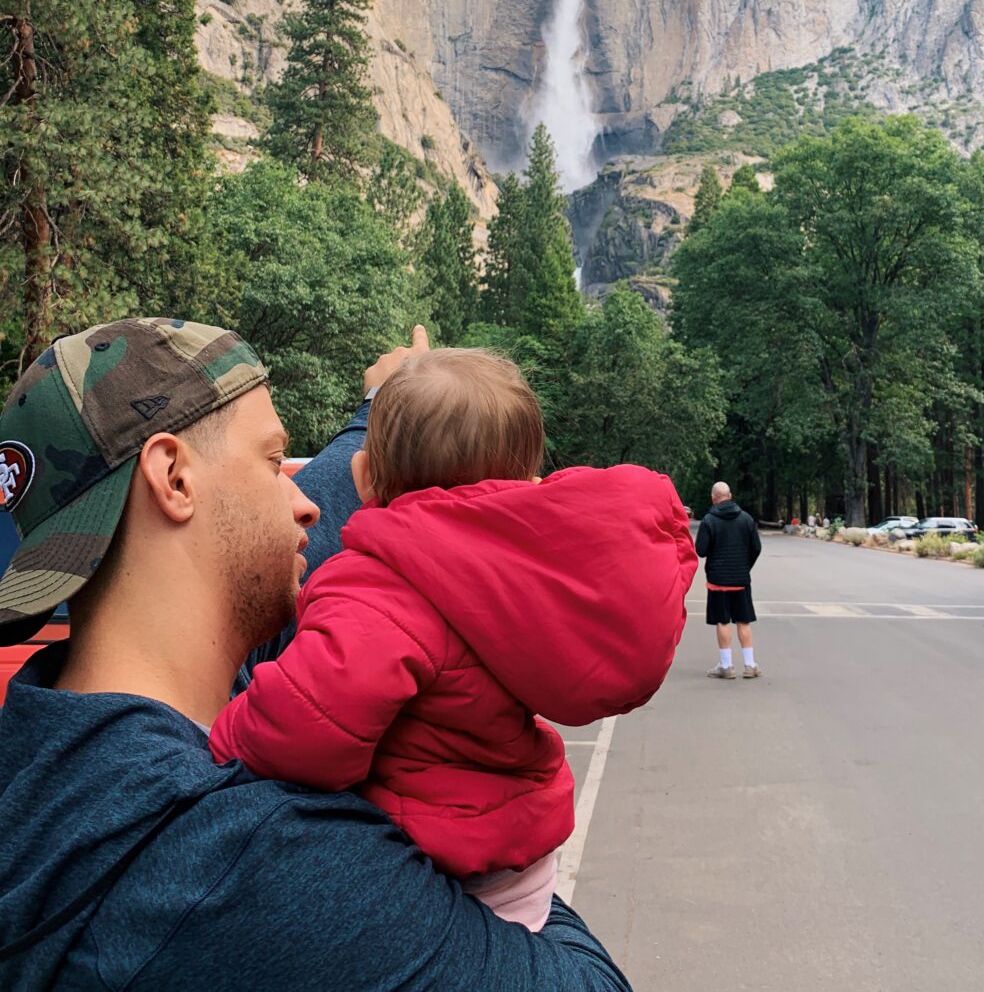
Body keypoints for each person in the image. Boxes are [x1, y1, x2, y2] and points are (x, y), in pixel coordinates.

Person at [0, 318, 634, 991]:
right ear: (174, 478)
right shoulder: (244, 864)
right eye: (275, 462)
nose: (303, 502)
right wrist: (510, 874)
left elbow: (335, 541)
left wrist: (396, 422)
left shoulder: (50, 744)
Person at [210, 347, 697, 931]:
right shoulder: (526, 574)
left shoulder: (379, 581)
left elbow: (305, 728)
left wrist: (219, 733)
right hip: (523, 860)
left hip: (434, 862)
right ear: (531, 484)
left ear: (363, 478)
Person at [695, 480, 762, 680]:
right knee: (743, 620)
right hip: (740, 579)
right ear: (730, 496)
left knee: (722, 621)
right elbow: (756, 548)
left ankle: (726, 666)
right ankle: (750, 664)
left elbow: (701, 550)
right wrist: (744, 566)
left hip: (718, 581)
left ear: (713, 498)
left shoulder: (709, 521)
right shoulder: (747, 520)